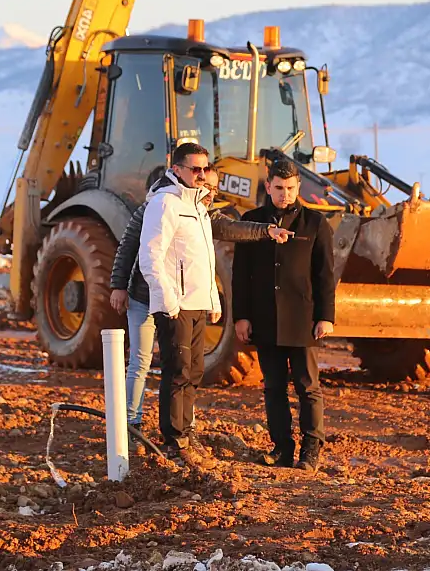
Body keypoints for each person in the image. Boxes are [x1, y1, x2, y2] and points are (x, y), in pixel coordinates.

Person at [109, 168, 292, 431]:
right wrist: (119, 285)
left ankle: (186, 422)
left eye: (216, 189)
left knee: (185, 367)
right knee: (142, 361)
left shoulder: (203, 215)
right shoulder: (157, 207)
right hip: (145, 298)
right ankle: (131, 422)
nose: (211, 193)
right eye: (208, 186)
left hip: (178, 304)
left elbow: (229, 232)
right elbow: (130, 247)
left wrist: (266, 231)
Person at [232, 157, 336, 472]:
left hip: (303, 320)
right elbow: (241, 275)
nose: (285, 194)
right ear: (268, 186)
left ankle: (310, 451)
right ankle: (282, 448)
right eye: (279, 188)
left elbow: (325, 275)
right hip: (265, 319)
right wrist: (242, 316)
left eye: (290, 188)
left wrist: (325, 316)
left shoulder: (315, 224)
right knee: (273, 387)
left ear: (298, 187)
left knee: (307, 386)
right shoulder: (251, 221)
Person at [135, 143, 230, 463]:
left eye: (205, 169)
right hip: (176, 304)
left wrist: (212, 298)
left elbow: (205, 259)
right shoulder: (165, 203)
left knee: (194, 370)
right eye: (195, 169)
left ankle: (187, 432)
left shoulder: (199, 206)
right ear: (176, 169)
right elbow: (151, 257)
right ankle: (174, 440)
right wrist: (168, 301)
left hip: (197, 302)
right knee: (177, 371)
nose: (202, 175)